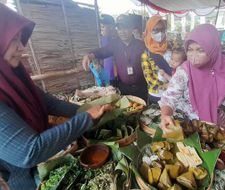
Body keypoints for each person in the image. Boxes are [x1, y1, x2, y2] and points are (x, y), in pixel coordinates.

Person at [0, 4, 113, 189]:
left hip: (45, 163)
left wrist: (84, 110)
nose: (22, 47)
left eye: (21, 39)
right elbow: (29, 151)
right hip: (25, 178)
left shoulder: (14, 74)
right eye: (14, 40)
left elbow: (46, 101)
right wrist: (85, 118)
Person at [159, 24, 225, 130]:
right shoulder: (184, 71)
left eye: (200, 50)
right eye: (190, 49)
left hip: (216, 119)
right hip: (188, 121)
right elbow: (170, 97)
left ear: (213, 49)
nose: (193, 55)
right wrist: (165, 115)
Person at [82, 14, 148, 101]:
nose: (122, 32)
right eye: (119, 28)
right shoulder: (115, 44)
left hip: (141, 88)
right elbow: (103, 51)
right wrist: (89, 55)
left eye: (125, 28)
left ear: (131, 28)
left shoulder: (141, 45)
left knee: (143, 112)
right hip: (123, 88)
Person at [141, 15, 172, 104]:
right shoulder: (146, 54)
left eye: (162, 30)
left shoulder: (171, 49)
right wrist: (165, 85)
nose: (160, 33)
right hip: (156, 96)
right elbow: (149, 78)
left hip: (171, 95)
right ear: (149, 31)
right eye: (156, 30)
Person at [99, 14, 117, 86]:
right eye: (101, 27)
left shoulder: (117, 40)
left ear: (111, 27)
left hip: (116, 76)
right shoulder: (101, 39)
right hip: (106, 76)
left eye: (103, 27)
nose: (101, 29)